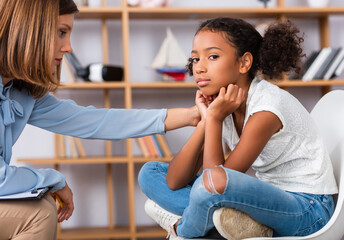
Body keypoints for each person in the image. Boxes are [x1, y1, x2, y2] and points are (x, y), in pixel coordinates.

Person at [0, 1, 200, 239]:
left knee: (41, 207)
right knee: (40, 212)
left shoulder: (21, 92)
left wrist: (190, 115)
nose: (68, 48)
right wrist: (54, 179)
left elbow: (96, 120)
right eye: (61, 32)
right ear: (30, 28)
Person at [138, 17, 338, 239]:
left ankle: (182, 228)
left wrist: (213, 118)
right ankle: (224, 223)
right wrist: (207, 120)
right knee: (150, 173)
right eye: (195, 58)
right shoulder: (225, 104)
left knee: (214, 183)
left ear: (244, 63)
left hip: (308, 210)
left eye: (212, 56)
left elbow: (213, 182)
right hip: (269, 203)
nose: (199, 67)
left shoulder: (267, 108)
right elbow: (176, 181)